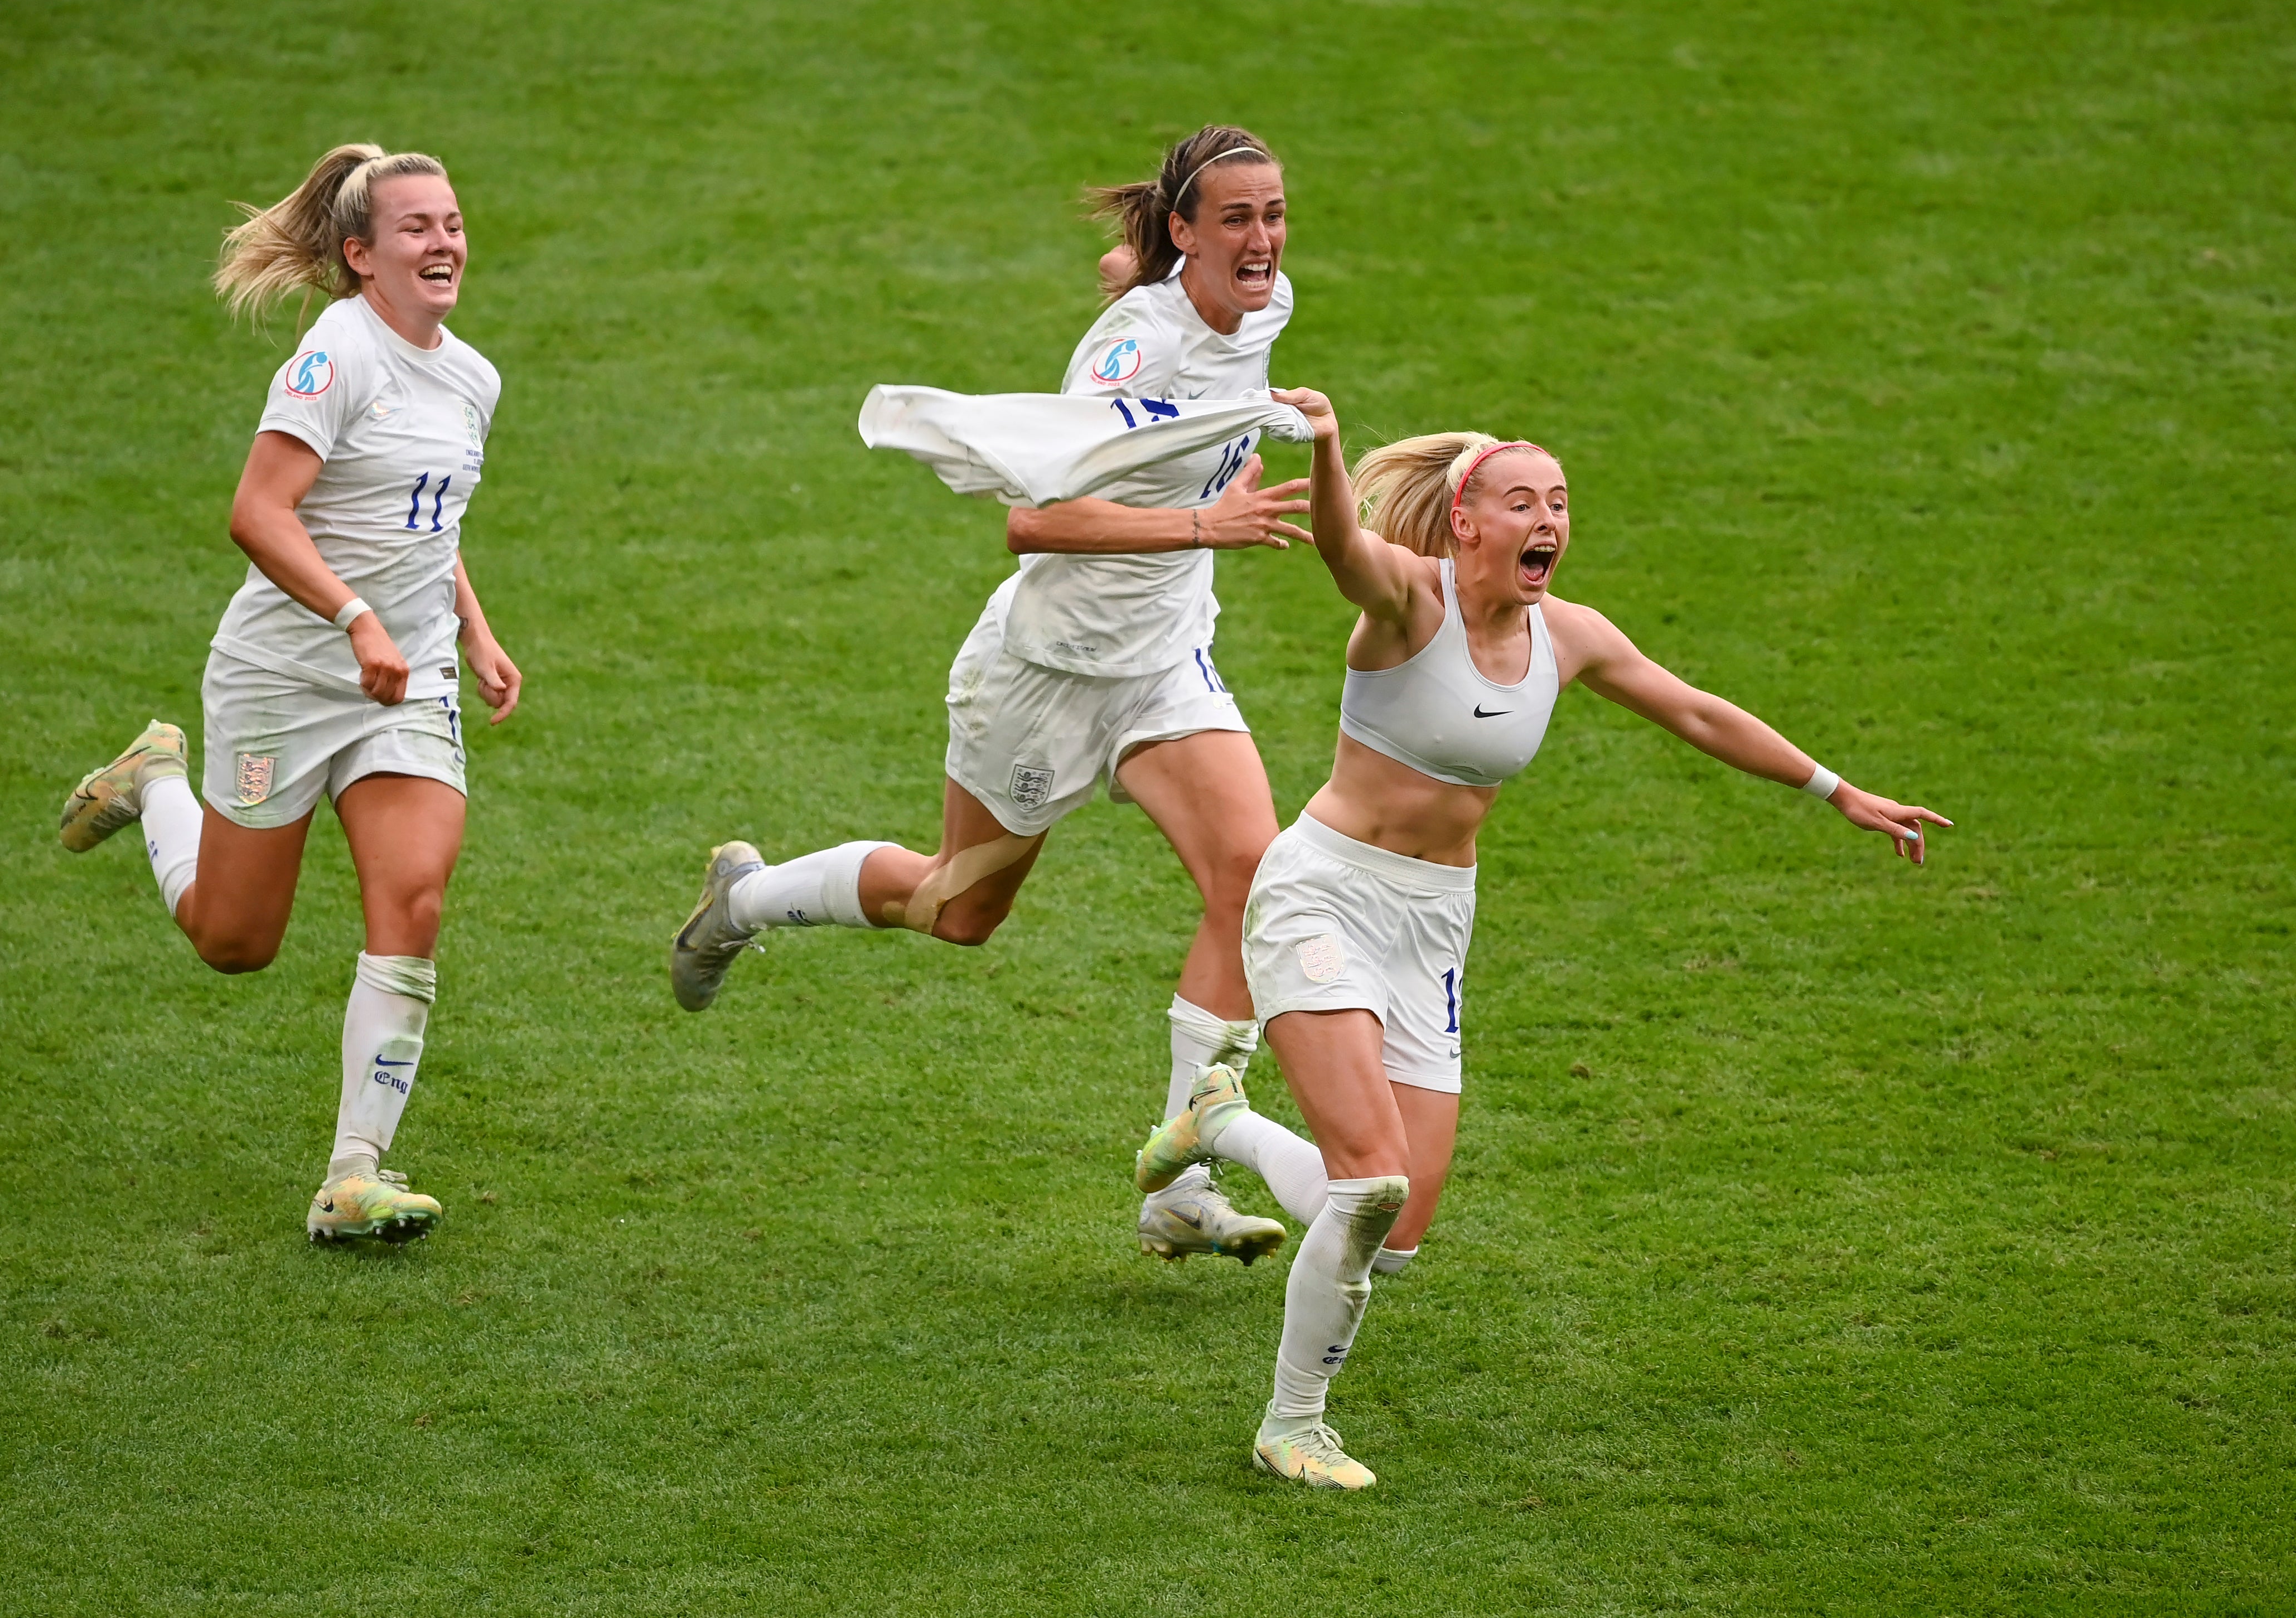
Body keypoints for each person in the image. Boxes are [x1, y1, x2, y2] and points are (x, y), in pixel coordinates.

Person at [1133, 389, 1951, 1489]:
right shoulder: (1401, 604)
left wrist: (1834, 787)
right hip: (1322, 894)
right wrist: (1326, 447)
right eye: (1522, 499)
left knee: (1398, 1226)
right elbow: (1337, 545)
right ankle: (1293, 1422)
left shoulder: (1567, 636)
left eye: (1559, 501)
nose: (1547, 519)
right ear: (1464, 519)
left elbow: (1695, 709)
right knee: (1367, 1185)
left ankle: (1219, 1118)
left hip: (1431, 927)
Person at [671, 126, 1313, 1267]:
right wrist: (1202, 520)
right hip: (1046, 676)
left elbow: (1149, 285)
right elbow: (1034, 518)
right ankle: (745, 897)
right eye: (1235, 220)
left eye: (1271, 215)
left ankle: (1181, 1180)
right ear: (1185, 230)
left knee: (1250, 875)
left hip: (1163, 664)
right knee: (955, 910)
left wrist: (1139, 274)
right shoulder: (1132, 354)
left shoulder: (1258, 301)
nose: (1261, 240)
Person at [57, 143, 522, 1246]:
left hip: (406, 680)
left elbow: (425, 519)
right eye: (415, 227)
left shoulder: (473, 376)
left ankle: (353, 1172)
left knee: (412, 900)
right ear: (361, 256)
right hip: (285, 672)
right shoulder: (334, 358)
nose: (442, 241)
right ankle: (154, 782)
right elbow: (258, 511)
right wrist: (352, 617)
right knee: (234, 939)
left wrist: (473, 626)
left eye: (451, 222)